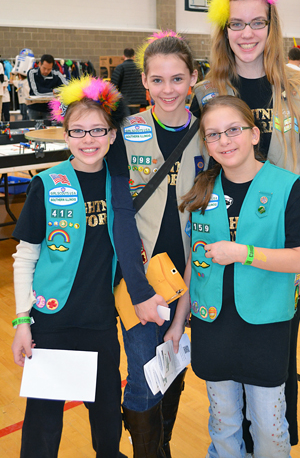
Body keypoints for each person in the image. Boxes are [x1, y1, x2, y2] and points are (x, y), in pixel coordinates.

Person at [190, 0, 300, 447]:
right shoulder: (209, 90)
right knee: (229, 360)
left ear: (272, 27)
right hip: (226, 249)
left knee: (277, 358)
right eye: (236, 24)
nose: (247, 33)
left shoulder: (299, 85)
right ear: (223, 31)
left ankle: (271, 444)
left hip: (284, 249)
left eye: (257, 23)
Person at [165, 95, 300, 458]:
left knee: (268, 424)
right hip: (212, 324)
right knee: (223, 420)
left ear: (254, 134)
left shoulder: (287, 187)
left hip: (265, 325)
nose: (225, 141)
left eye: (233, 130)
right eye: (214, 134)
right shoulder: (202, 192)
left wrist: (243, 254)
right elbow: (194, 265)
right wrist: (178, 322)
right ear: (206, 143)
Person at [11, 76, 129, 458]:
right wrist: (21, 321)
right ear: (65, 134)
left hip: (100, 322)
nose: (88, 138)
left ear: (112, 135)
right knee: (43, 422)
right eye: (78, 130)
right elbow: (26, 256)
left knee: (108, 414)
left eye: (98, 129)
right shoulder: (46, 184)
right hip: (52, 322)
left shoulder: (121, 185)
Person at [107, 30, 208, 458]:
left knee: (173, 367)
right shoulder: (123, 133)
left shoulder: (210, 134)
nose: (168, 90)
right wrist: (138, 288)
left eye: (178, 79)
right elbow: (120, 215)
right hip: (139, 278)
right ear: (144, 81)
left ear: (193, 78)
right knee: (146, 373)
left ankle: (160, 444)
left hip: (189, 278)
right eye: (158, 80)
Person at [27, 54, 67, 120]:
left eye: (49, 69)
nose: (46, 71)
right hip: (34, 109)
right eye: (44, 68)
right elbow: (37, 92)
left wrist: (54, 91)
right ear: (40, 64)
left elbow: (67, 87)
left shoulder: (56, 74)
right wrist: (54, 91)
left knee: (50, 129)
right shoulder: (32, 73)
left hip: (50, 110)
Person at [111, 47, 148, 114]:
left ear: (123, 56)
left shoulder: (120, 67)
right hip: (138, 102)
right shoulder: (139, 68)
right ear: (134, 56)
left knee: (126, 122)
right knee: (136, 122)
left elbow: (113, 85)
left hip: (125, 101)